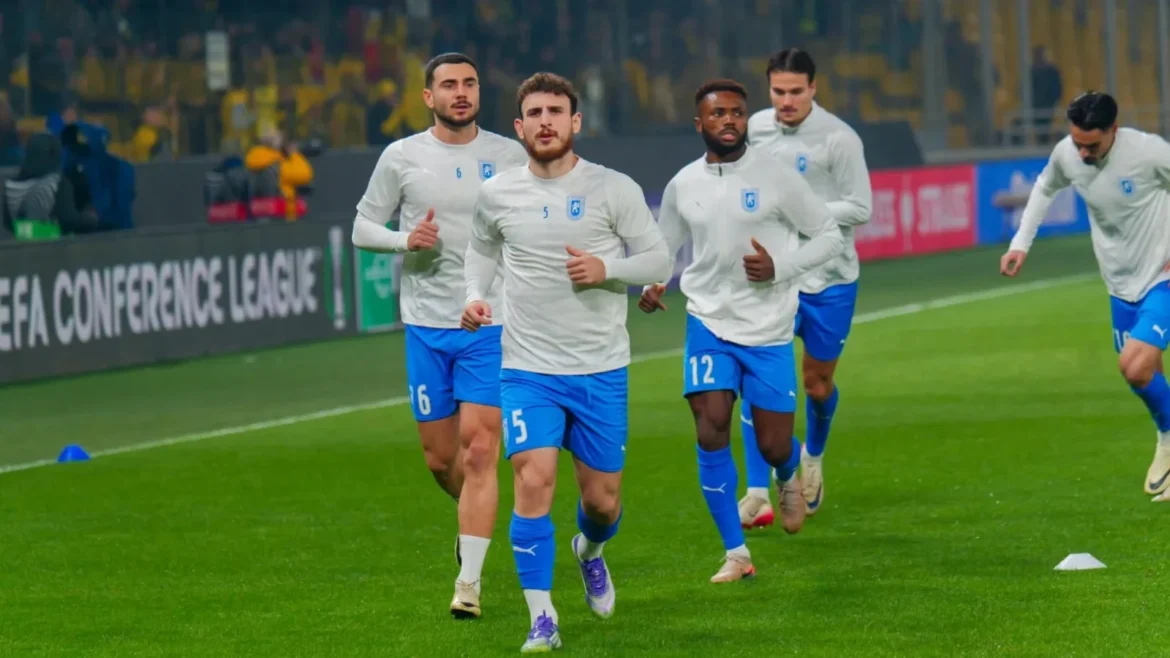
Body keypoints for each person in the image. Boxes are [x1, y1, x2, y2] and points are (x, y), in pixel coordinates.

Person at [461, 71, 671, 653]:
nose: (546, 121)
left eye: (556, 111)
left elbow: (657, 258)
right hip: (527, 369)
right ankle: (542, 618)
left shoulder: (612, 188)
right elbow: (480, 251)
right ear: (519, 126)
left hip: (600, 367)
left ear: (575, 121)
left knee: (601, 503)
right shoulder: (498, 193)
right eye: (535, 113)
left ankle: (591, 551)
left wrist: (609, 270)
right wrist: (473, 296)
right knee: (533, 478)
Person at [639, 79, 844, 582]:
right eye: (717, 114)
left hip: (768, 328)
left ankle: (787, 473)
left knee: (774, 445)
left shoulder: (776, 177)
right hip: (708, 321)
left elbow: (829, 236)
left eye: (736, 112)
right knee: (710, 425)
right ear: (699, 124)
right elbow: (665, 248)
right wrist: (653, 283)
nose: (728, 120)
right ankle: (736, 552)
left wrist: (781, 268)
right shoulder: (684, 184)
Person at [350, 52, 528, 620]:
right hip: (427, 325)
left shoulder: (509, 155)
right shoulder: (402, 157)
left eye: (469, 82)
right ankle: (473, 518)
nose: (461, 92)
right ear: (428, 96)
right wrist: (405, 241)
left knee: (480, 451)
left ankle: (468, 583)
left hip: (489, 322)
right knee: (440, 460)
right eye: (449, 84)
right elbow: (361, 227)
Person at [1001, 91, 1170, 500]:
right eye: (1077, 142)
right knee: (1148, 372)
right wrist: (1020, 243)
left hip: (1162, 276)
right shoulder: (1068, 153)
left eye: (1091, 145)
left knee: (1133, 367)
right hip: (1119, 284)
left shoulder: (1148, 152)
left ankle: (1167, 436)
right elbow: (1044, 187)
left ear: (1114, 130)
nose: (1082, 153)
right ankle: (1167, 442)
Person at [737, 48, 872, 525]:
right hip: (776, 276)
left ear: (813, 88)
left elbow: (861, 207)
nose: (787, 101)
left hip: (830, 278)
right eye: (779, 91)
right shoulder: (755, 128)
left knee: (817, 384)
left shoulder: (840, 139)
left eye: (796, 91)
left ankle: (812, 456)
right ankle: (758, 491)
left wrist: (800, 210)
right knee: (758, 380)